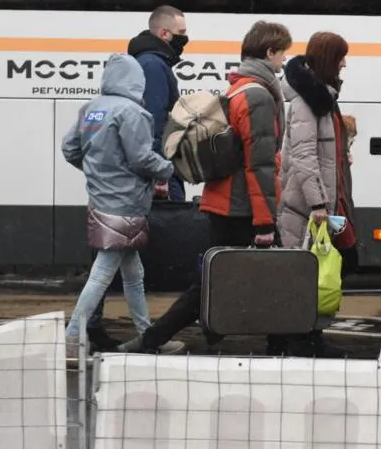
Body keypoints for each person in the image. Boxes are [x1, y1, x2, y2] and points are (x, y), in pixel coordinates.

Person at [123, 20, 291, 355]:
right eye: (282, 53)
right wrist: (264, 221)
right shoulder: (258, 96)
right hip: (241, 207)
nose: (283, 61)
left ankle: (281, 342)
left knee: (239, 280)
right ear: (269, 52)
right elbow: (258, 163)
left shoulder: (239, 88)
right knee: (241, 282)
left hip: (228, 201)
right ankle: (152, 340)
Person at [62, 54, 174, 347]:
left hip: (100, 200)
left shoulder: (91, 109)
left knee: (134, 273)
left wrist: (99, 172)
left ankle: (146, 335)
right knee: (102, 273)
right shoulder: (132, 112)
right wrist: (168, 169)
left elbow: (70, 149)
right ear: (136, 81)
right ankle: (72, 337)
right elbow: (141, 159)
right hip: (127, 202)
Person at [277, 31, 352, 358]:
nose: (345, 64)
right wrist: (318, 203)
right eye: (340, 57)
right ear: (328, 60)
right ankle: (297, 340)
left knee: (316, 271)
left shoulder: (323, 98)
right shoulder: (308, 103)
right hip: (304, 206)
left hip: (318, 201)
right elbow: (304, 155)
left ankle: (308, 335)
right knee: (303, 276)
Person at [127, 5, 187, 200]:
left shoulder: (149, 62)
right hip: (160, 168)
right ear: (164, 33)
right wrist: (160, 175)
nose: (185, 39)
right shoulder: (154, 66)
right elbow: (154, 123)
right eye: (181, 33)